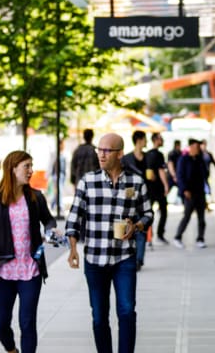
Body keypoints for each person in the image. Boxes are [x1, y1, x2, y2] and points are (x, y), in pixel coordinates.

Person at [65, 133, 153, 353]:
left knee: (127, 311)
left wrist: (137, 226)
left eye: (107, 150)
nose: (101, 155)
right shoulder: (88, 182)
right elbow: (74, 218)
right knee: (99, 317)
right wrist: (73, 249)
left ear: (120, 153)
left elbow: (148, 213)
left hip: (125, 257)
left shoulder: (136, 182)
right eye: (99, 150)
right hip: (95, 260)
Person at [0, 150, 57, 353]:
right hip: (2, 273)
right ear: (13, 169)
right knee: (0, 324)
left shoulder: (36, 197)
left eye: (31, 166)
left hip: (30, 270)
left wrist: (51, 231)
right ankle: (12, 350)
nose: (31, 171)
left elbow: (49, 220)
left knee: (27, 323)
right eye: (27, 166)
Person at [173, 139, 208, 249]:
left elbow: (205, 174)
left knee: (201, 218)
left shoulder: (200, 160)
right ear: (191, 147)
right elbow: (180, 176)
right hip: (189, 193)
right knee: (187, 216)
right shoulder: (183, 159)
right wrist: (184, 190)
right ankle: (177, 237)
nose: (198, 149)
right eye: (196, 147)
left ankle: (200, 239)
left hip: (200, 192)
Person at [121, 131, 148, 267]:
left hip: (145, 196)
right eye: (145, 139)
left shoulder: (148, 158)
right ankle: (132, 257)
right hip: (131, 197)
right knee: (130, 226)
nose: (146, 141)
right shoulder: (126, 159)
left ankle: (139, 259)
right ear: (139, 140)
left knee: (142, 227)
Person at [144, 133, 170, 244]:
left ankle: (148, 237)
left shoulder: (146, 154)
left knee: (149, 213)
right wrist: (166, 185)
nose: (162, 140)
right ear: (156, 140)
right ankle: (160, 235)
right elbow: (161, 171)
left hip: (149, 188)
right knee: (163, 211)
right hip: (158, 188)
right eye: (161, 138)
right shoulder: (159, 155)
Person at [48, 138, 66, 213]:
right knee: (59, 191)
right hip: (56, 175)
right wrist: (48, 175)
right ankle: (60, 206)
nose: (63, 146)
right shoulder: (55, 153)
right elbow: (50, 164)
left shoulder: (63, 154)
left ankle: (53, 204)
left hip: (62, 175)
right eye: (62, 144)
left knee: (58, 191)